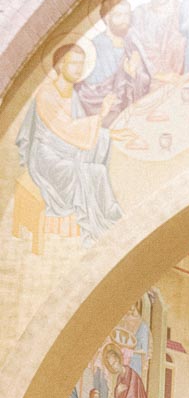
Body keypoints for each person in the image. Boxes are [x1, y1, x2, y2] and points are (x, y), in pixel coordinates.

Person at [15, 42, 122, 245]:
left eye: (81, 64)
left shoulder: (72, 95)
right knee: (88, 172)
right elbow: (66, 129)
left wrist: (106, 134)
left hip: (65, 148)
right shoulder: (46, 93)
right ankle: (94, 228)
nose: (78, 69)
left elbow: (79, 132)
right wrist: (101, 114)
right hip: (46, 156)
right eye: (74, 63)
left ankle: (104, 221)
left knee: (101, 155)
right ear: (60, 65)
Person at [76, 0, 152, 122]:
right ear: (107, 18)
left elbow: (145, 81)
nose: (124, 20)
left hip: (129, 109)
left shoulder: (131, 43)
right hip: (104, 112)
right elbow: (89, 91)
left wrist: (135, 74)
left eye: (127, 15)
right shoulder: (97, 47)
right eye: (118, 15)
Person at [131, 0, 186, 79]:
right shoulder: (139, 13)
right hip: (150, 74)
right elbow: (136, 44)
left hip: (179, 71)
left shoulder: (182, 10)